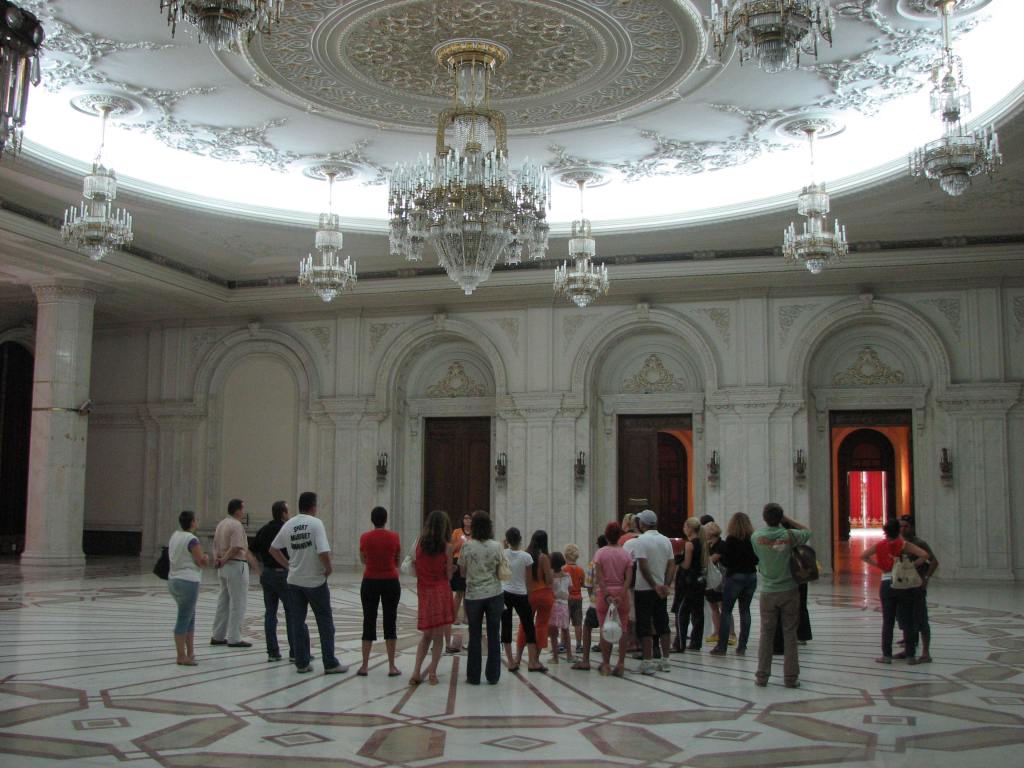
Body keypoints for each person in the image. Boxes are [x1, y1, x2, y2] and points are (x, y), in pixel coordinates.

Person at [269, 491, 347, 675]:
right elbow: (323, 551)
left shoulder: (289, 524)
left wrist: (289, 565)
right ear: (313, 506)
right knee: (325, 621)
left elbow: (273, 549)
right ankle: (330, 662)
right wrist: (328, 568)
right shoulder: (315, 523)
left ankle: (301, 662)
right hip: (315, 581)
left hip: (294, 581)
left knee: (297, 622)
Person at [751, 503, 811, 688]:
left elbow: (758, 557)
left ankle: (762, 676)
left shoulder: (756, 537)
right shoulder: (789, 535)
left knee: (766, 634)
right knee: (790, 634)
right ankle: (791, 677)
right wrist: (787, 519)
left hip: (768, 591)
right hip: (789, 590)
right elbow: (807, 531)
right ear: (780, 517)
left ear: (764, 517)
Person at [861, 517, 931, 664]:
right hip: (902, 584)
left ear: (885, 532)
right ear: (898, 531)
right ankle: (911, 655)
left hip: (886, 584)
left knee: (888, 621)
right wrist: (910, 566)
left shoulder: (880, 545)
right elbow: (925, 555)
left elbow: (864, 556)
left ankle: (886, 655)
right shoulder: (903, 544)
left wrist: (879, 565)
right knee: (908, 619)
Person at [460, 510, 505, 685]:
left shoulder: (467, 546)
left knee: (474, 635)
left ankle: (473, 676)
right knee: (494, 634)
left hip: (473, 595)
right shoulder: (497, 546)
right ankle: (493, 675)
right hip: (494, 593)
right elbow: (502, 568)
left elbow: (462, 572)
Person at [410, 510, 454, 685]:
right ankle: (433, 673)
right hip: (440, 591)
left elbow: (415, 566)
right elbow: (449, 575)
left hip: (424, 590)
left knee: (426, 635)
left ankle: (416, 671)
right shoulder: (447, 547)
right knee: (438, 636)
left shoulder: (418, 543)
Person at [357, 506, 402, 677]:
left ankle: (364, 665)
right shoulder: (394, 537)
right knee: (390, 621)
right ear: (386, 519)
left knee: (368, 620)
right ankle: (392, 666)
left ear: (372, 519)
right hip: (390, 581)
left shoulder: (365, 537)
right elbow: (397, 561)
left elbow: (363, 559)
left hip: (370, 581)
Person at [631, 509, 676, 675]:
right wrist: (666, 585)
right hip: (661, 590)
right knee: (662, 623)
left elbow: (643, 565)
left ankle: (648, 662)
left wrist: (654, 585)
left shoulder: (641, 540)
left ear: (642, 523)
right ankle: (666, 660)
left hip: (644, 589)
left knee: (645, 625)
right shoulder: (665, 540)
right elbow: (671, 565)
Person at [210, 498, 257, 648]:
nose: (243, 512)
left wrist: (218, 560)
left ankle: (218, 635)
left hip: (223, 568)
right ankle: (234, 637)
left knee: (223, 601)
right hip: (236, 565)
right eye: (242, 509)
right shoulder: (236, 525)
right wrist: (224, 559)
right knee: (238, 602)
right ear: (237, 511)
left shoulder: (221, 524)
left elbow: (215, 546)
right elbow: (236, 546)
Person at [710, 512, 758, 656]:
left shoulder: (731, 540)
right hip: (751, 576)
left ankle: (722, 646)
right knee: (745, 610)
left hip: (735, 577)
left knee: (726, 610)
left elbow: (726, 561)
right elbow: (756, 559)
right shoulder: (753, 539)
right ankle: (742, 646)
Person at [252, 500, 295, 662]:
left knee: (270, 613)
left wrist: (259, 569)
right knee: (292, 612)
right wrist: (289, 565)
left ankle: (272, 652)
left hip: (267, 574)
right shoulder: (286, 529)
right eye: (287, 510)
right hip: (283, 575)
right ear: (283, 513)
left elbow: (251, 550)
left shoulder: (264, 529)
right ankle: (295, 652)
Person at [168, 510, 209, 665]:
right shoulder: (192, 539)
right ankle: (181, 655)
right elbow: (200, 561)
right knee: (184, 618)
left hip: (173, 579)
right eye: (196, 519)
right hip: (188, 581)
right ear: (192, 522)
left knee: (189, 615)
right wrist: (206, 558)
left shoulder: (175, 535)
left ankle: (190, 652)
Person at [593, 521, 634, 677]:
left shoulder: (600, 553)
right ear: (619, 536)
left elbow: (599, 577)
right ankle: (621, 664)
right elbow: (628, 578)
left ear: (606, 535)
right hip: (621, 594)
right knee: (623, 628)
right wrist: (621, 595)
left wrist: (607, 595)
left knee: (605, 628)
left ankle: (605, 664)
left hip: (605, 595)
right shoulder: (625, 554)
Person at [500, 527, 543, 673]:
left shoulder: (503, 553)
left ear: (507, 540)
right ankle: (532, 662)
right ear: (520, 539)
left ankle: (511, 661)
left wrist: (504, 545)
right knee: (528, 626)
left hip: (505, 592)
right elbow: (528, 580)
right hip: (521, 593)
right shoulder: (526, 557)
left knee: (506, 626)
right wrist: (529, 595)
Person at [898, 514, 938, 662]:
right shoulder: (898, 543)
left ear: (912, 527)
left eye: (906, 526)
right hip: (903, 586)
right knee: (905, 619)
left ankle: (926, 652)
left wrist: (926, 578)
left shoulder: (919, 543)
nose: (903, 529)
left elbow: (934, 561)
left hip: (917, 586)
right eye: (901, 526)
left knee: (921, 618)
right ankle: (909, 649)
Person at [515, 530, 554, 668]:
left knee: (524, 625)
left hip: (529, 594)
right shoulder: (544, 557)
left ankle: (517, 658)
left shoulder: (524, 555)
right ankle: (535, 659)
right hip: (544, 594)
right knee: (541, 625)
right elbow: (549, 580)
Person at [674, 517, 706, 652]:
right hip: (699, 581)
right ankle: (696, 642)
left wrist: (677, 560)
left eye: (685, 526)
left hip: (688, 583)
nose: (683, 529)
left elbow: (686, 564)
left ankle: (680, 643)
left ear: (690, 529)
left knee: (682, 613)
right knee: (698, 613)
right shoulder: (703, 543)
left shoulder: (689, 544)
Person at [703, 521, 729, 646]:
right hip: (710, 579)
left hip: (721, 579)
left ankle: (730, 633)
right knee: (713, 606)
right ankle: (716, 632)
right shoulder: (708, 545)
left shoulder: (721, 545)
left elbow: (713, 559)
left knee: (723, 606)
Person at [548, 551, 574, 664]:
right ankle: (569, 655)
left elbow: (548, 590)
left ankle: (555, 657)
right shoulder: (567, 575)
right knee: (566, 630)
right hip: (564, 605)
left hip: (553, 605)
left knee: (553, 633)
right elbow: (571, 589)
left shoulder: (550, 577)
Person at [563, 544, 586, 655]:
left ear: (566, 555)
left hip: (567, 598)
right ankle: (579, 644)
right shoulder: (581, 570)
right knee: (578, 623)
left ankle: (563, 644)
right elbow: (583, 583)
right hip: (578, 598)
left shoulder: (564, 569)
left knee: (565, 622)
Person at [450, 513, 472, 625]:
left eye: (469, 518)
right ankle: (454, 617)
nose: (467, 520)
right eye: (465, 518)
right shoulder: (457, 532)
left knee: (467, 592)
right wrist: (460, 543)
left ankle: (466, 617)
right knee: (459, 591)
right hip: (458, 561)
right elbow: (451, 549)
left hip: (470, 563)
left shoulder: (475, 532)